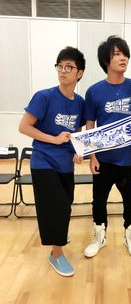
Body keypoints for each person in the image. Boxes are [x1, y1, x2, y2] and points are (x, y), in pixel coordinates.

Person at [19, 46, 86, 277]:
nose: (63, 71)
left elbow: (76, 132)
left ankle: (57, 238)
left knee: (65, 204)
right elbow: (24, 127)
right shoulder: (44, 96)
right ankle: (56, 254)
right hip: (43, 162)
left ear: (80, 73)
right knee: (58, 206)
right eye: (60, 66)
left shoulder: (80, 102)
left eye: (69, 67)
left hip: (65, 164)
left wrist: (77, 150)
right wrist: (54, 140)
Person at [83, 35, 131, 258]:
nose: (123, 58)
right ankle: (99, 236)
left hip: (129, 159)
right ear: (106, 61)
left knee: (130, 201)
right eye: (117, 54)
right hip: (103, 159)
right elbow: (90, 126)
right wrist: (91, 156)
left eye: (125, 54)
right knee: (98, 201)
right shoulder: (94, 91)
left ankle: (130, 236)